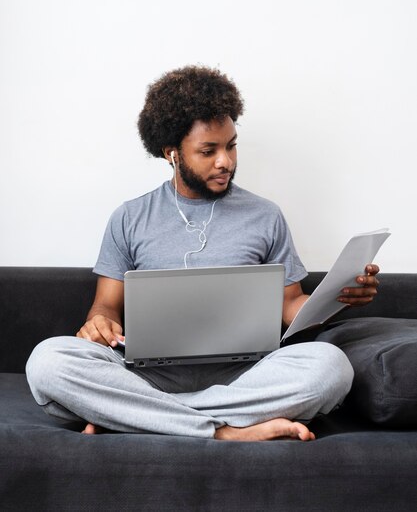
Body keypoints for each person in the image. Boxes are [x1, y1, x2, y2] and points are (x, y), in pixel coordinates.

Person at [26, 66, 379, 442]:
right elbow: (106, 307)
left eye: (231, 145)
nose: (225, 161)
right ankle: (224, 431)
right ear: (172, 154)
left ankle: (145, 418)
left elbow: (291, 307)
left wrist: (337, 297)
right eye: (208, 151)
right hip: (146, 377)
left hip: (245, 376)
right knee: (48, 362)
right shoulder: (129, 217)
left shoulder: (265, 215)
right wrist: (99, 323)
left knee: (331, 368)